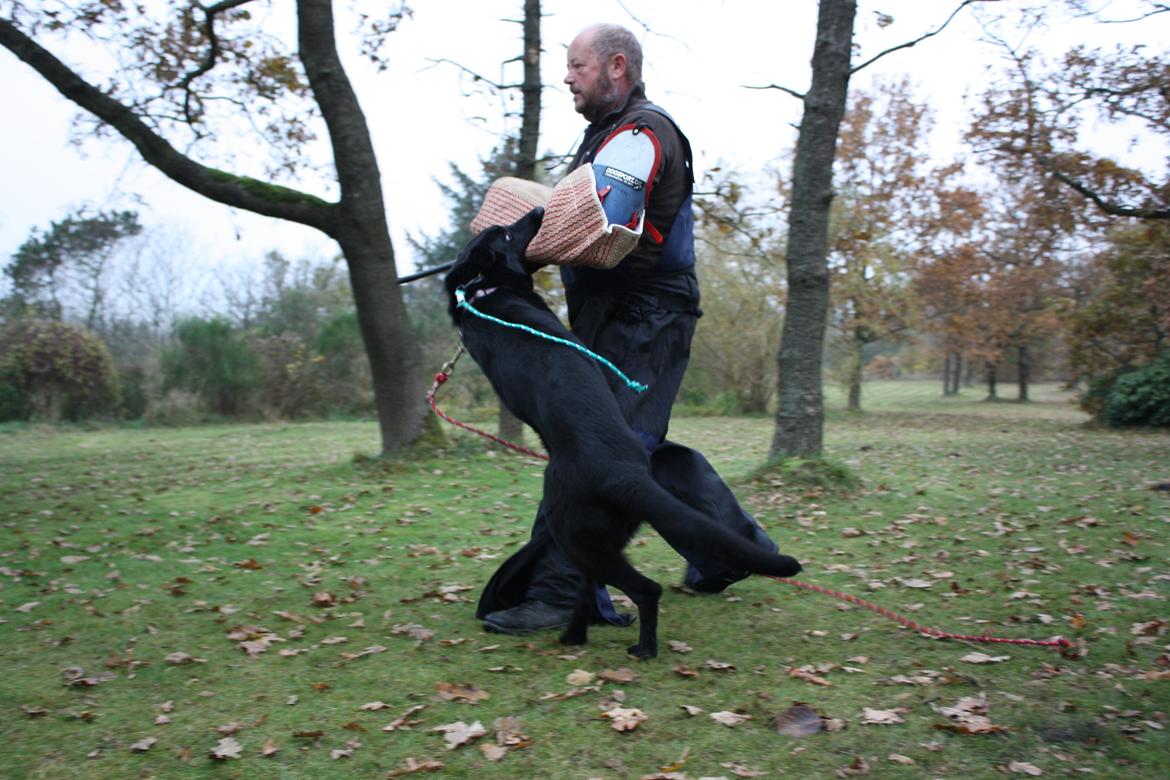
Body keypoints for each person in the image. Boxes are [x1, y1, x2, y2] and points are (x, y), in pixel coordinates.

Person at [475, 23, 778, 634]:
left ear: (617, 67)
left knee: (594, 450)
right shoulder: (607, 139)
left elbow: (596, 225)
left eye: (577, 66)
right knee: (640, 449)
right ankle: (730, 549)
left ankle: (565, 592)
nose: (567, 77)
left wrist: (518, 246)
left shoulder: (640, 136)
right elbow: (570, 216)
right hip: (618, 319)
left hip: (646, 320)